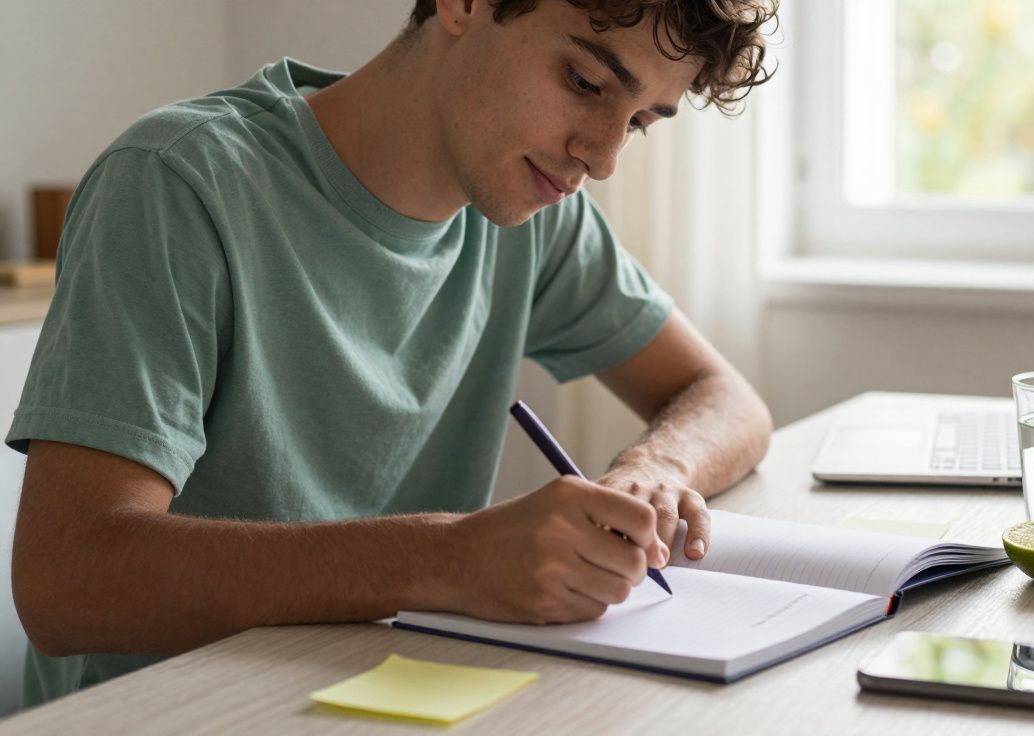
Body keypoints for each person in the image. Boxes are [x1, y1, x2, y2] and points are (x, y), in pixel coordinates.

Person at [5, 0, 778, 707]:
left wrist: (661, 469)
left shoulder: (532, 214)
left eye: (641, 121)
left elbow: (724, 397)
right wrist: (452, 560)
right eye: (583, 81)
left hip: (389, 704)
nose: (603, 157)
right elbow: (66, 580)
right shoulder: (180, 182)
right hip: (172, 715)